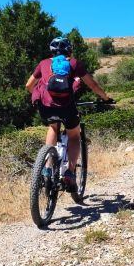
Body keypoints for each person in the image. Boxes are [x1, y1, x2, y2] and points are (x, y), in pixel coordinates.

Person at [25, 37, 112, 201]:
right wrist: (106, 98)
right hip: (67, 106)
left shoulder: (43, 63)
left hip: (46, 105)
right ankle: (70, 172)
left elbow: (29, 85)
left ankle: (47, 168)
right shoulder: (73, 63)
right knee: (74, 135)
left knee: (53, 127)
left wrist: (43, 96)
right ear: (69, 50)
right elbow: (92, 85)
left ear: (51, 51)